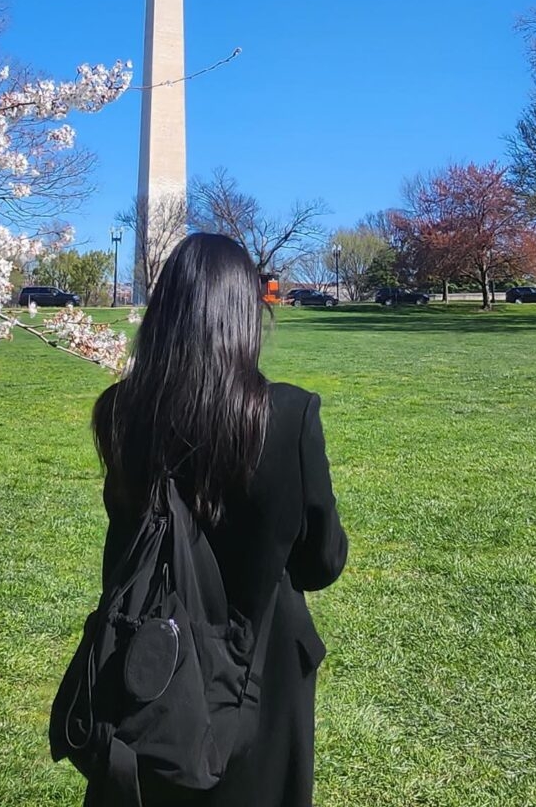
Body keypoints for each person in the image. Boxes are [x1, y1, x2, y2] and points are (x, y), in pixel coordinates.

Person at [90, 232, 348, 807]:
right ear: (246, 315)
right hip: (265, 665)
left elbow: (121, 548)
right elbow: (321, 562)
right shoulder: (289, 415)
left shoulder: (121, 411)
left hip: (152, 661)